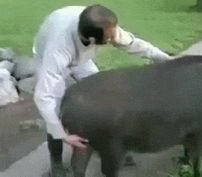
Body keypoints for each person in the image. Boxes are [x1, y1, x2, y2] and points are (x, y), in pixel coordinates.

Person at [33, 4, 172, 177]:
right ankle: (56, 162)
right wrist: (62, 134)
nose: (113, 39)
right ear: (92, 40)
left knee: (103, 96)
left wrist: (166, 60)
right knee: (55, 109)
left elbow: (133, 43)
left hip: (81, 59)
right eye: (109, 38)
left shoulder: (101, 25)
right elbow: (44, 96)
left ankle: (107, 144)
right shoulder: (57, 51)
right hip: (49, 57)